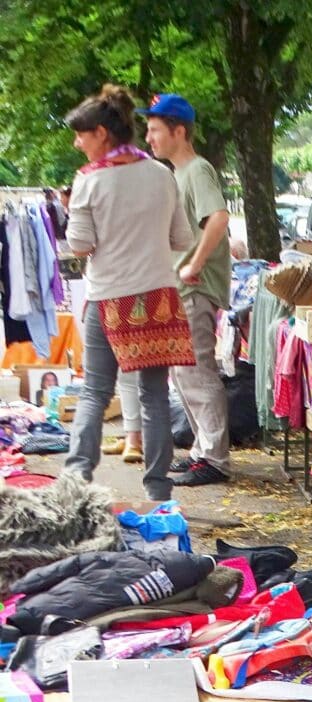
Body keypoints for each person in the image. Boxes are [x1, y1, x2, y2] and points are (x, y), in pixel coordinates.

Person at [62, 84, 195, 501]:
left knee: (95, 391)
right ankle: (158, 490)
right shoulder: (161, 174)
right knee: (155, 396)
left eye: (81, 135)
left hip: (109, 298)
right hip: (158, 297)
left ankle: (76, 481)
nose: (77, 143)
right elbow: (182, 238)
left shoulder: (88, 181)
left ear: (101, 133)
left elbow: (79, 245)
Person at [143, 93, 232, 487]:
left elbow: (219, 218)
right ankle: (202, 451)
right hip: (180, 288)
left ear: (179, 131)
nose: (149, 138)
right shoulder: (179, 173)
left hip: (194, 288)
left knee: (195, 371)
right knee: (183, 373)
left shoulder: (197, 170)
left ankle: (214, 458)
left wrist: (194, 265)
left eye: (155, 130)